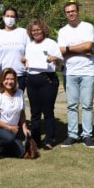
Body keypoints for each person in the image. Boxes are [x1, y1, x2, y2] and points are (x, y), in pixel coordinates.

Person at [58, 1, 94, 148]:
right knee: (72, 105)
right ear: (65, 14)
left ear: (78, 11)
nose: (71, 14)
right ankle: (72, 135)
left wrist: (69, 50)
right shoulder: (63, 31)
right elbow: (60, 50)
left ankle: (87, 135)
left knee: (87, 105)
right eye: (68, 12)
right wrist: (82, 50)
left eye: (73, 11)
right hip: (70, 72)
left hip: (87, 71)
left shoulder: (88, 27)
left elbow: (89, 46)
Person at [23, 19, 62, 150]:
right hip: (32, 80)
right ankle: (35, 140)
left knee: (48, 111)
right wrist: (24, 61)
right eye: (33, 30)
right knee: (34, 113)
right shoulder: (29, 45)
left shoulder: (51, 43)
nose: (36, 32)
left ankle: (49, 140)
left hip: (47, 80)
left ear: (44, 30)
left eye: (38, 29)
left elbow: (60, 61)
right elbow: (27, 61)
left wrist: (55, 58)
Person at [0, 68, 30, 159]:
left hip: (14, 128)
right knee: (10, 138)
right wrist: (9, 128)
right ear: (2, 80)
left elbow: (21, 112)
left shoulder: (19, 93)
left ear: (15, 80)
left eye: (12, 79)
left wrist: (25, 129)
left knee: (21, 154)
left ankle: (7, 148)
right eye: (6, 79)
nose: (9, 81)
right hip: (0, 128)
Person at [0, 8, 28, 92]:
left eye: (12, 16)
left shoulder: (23, 32)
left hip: (19, 75)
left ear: (16, 18)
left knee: (17, 101)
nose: (10, 18)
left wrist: (26, 59)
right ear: (3, 17)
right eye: (7, 16)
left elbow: (30, 50)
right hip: (2, 74)